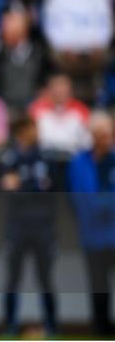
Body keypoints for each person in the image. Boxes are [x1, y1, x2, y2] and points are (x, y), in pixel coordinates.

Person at [0, 116, 58, 337]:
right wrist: (31, 185)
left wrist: (23, 183)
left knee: (46, 278)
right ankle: (9, 327)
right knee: (13, 278)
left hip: (43, 227)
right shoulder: (10, 157)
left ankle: (51, 326)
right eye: (30, 128)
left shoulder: (46, 157)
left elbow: (50, 188)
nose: (35, 132)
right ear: (21, 131)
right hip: (17, 226)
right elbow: (7, 186)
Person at [68, 111, 115, 336]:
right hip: (93, 235)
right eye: (103, 135)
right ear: (93, 135)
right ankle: (101, 329)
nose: (107, 140)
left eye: (110, 134)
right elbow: (81, 198)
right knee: (98, 286)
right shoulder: (79, 162)